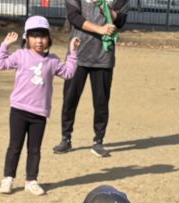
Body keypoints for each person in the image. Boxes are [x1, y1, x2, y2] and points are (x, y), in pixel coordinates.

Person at [0, 16, 80, 196]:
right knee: (14, 147)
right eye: (34, 36)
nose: (39, 41)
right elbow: (1, 64)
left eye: (42, 36)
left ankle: (31, 180)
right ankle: (8, 178)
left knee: (34, 149)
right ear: (27, 38)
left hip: (39, 113)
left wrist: (73, 52)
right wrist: (5, 45)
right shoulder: (21, 55)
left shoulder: (53, 60)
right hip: (19, 110)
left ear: (48, 38)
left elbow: (68, 73)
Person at [53, 0, 128, 159]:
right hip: (77, 55)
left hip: (103, 56)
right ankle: (66, 138)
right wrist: (99, 29)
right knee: (70, 99)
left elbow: (121, 20)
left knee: (101, 101)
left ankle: (98, 141)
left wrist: (102, 5)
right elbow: (74, 17)